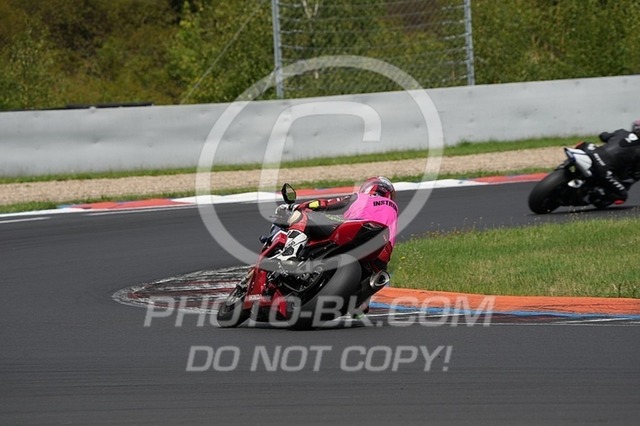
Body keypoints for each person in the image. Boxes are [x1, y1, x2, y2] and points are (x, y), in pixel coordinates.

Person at [273, 176, 398, 268]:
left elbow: (325, 204)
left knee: (304, 216)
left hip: (356, 233)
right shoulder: (394, 209)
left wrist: (297, 206)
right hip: (382, 254)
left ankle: (289, 254)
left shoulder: (361, 197)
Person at [587, 118, 640, 202]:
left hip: (592, 152)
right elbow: (636, 174)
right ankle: (596, 192)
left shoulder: (621, 132)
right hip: (605, 169)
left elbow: (603, 136)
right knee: (622, 196)